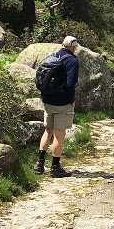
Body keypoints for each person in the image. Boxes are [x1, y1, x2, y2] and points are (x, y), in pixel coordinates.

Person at [34, 36, 80, 177]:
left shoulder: (52, 56)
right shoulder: (72, 61)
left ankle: (39, 163)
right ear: (73, 47)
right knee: (60, 134)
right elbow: (70, 84)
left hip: (47, 100)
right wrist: (71, 100)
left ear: (62, 44)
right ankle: (55, 167)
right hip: (62, 103)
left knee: (48, 131)